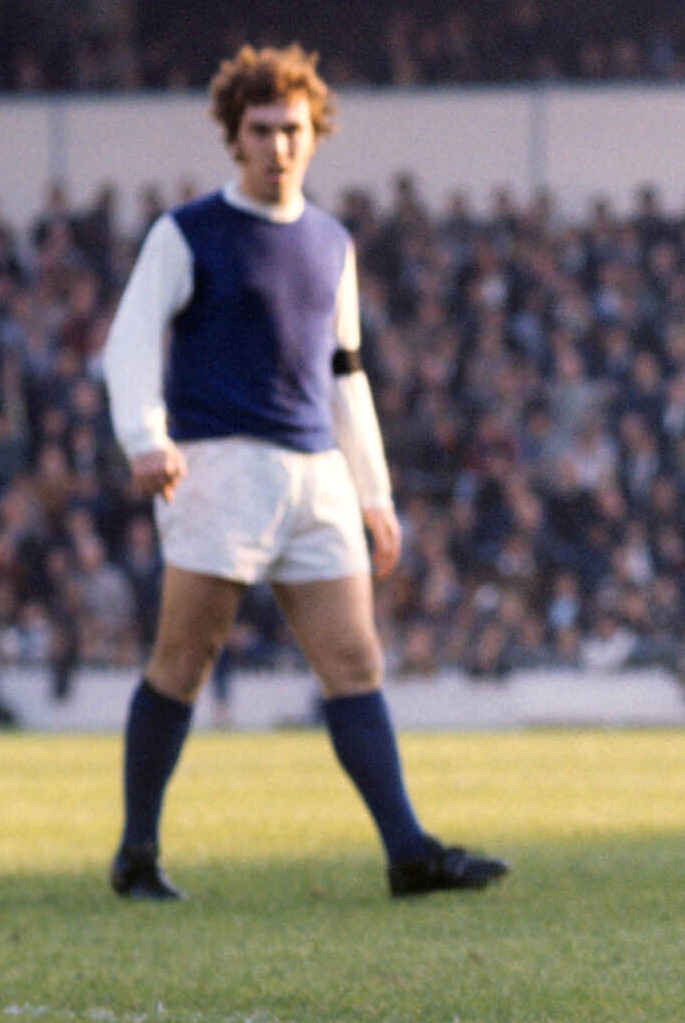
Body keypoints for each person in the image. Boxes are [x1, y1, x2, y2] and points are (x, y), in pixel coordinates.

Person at [96, 46, 506, 902]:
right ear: (233, 138)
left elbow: (345, 373)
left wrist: (374, 493)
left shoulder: (330, 241)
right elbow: (130, 339)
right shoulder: (187, 232)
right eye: (261, 131)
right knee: (184, 660)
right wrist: (145, 435)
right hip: (219, 468)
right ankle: (136, 853)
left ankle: (408, 853)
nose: (278, 146)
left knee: (354, 663)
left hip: (317, 474)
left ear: (315, 133)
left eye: (293, 130)